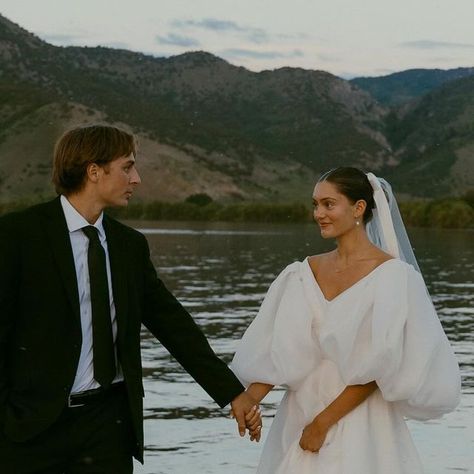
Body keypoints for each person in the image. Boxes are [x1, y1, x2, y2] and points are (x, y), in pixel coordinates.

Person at [0, 124, 261, 473]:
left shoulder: (129, 247)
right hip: (30, 428)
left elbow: (174, 326)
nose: (136, 179)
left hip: (108, 427)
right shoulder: (18, 235)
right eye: (127, 167)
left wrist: (232, 393)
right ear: (94, 171)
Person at [232, 167, 461, 473]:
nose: (319, 214)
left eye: (329, 204)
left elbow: (381, 366)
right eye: (315, 204)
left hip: (358, 418)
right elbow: (283, 350)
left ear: (359, 207)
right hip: (300, 411)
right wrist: (249, 401)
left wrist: (322, 423)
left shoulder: (394, 278)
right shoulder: (302, 273)